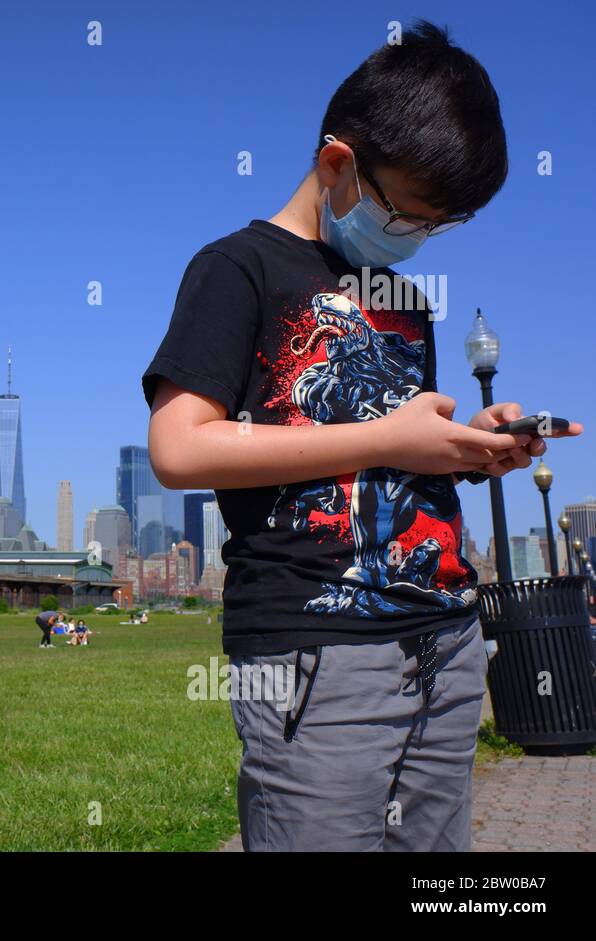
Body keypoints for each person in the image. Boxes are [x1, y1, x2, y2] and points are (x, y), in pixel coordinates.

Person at [141, 23, 581, 851]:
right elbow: (179, 447)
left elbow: (394, 454)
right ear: (338, 163)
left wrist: (473, 447)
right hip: (317, 653)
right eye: (408, 215)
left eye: (437, 229)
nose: (414, 240)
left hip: (446, 640)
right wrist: (387, 439)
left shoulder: (402, 301)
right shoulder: (237, 270)